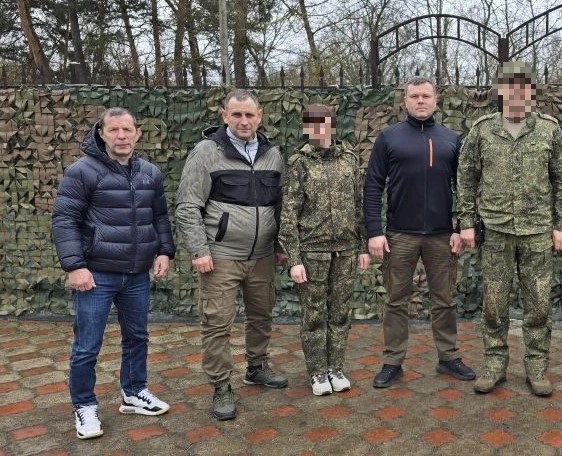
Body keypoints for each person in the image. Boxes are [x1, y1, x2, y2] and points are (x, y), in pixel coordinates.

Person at [52, 107, 175, 439]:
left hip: (136, 274)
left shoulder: (150, 173)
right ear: (102, 134)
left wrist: (164, 251)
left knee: (137, 337)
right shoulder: (81, 172)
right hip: (96, 275)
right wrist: (75, 266)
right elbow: (64, 220)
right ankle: (84, 405)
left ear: (137, 133)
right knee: (87, 345)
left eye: (127, 130)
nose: (121, 136)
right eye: (114, 130)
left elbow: (160, 217)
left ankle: (134, 392)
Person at [457, 61, 562, 397]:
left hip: (537, 231)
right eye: (510, 87)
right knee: (494, 304)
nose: (516, 93)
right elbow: (465, 178)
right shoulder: (482, 130)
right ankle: (495, 365)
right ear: (501, 91)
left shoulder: (548, 130)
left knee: (539, 304)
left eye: (523, 87)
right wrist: (465, 222)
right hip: (495, 230)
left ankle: (536, 368)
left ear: (531, 92)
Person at [176, 89, 287, 421]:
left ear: (260, 116)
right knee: (217, 323)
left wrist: (280, 246)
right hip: (220, 256)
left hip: (262, 256)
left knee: (261, 315)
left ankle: (256, 367)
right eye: (236, 114)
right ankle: (221, 386)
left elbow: (281, 207)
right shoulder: (206, 152)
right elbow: (187, 206)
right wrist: (199, 250)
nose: (243, 121)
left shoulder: (273, 155)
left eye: (249, 115)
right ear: (224, 115)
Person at [364, 76, 476, 388]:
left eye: (426, 95)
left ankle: (448, 357)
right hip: (400, 235)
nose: (421, 101)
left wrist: (460, 227)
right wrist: (374, 231)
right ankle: (392, 361)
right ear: (405, 101)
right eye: (414, 96)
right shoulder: (389, 138)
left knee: (444, 299)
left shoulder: (451, 139)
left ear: (436, 99)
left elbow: (466, 186)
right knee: (396, 300)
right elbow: (372, 185)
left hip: (442, 235)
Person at [279, 104, 372, 396]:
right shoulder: (299, 163)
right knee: (314, 314)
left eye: (325, 123)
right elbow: (288, 214)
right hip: (312, 252)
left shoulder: (349, 160)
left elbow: (358, 206)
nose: (319, 129)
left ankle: (336, 368)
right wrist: (294, 259)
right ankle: (318, 372)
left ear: (333, 125)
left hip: (345, 251)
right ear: (306, 128)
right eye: (313, 124)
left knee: (341, 313)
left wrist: (363, 246)